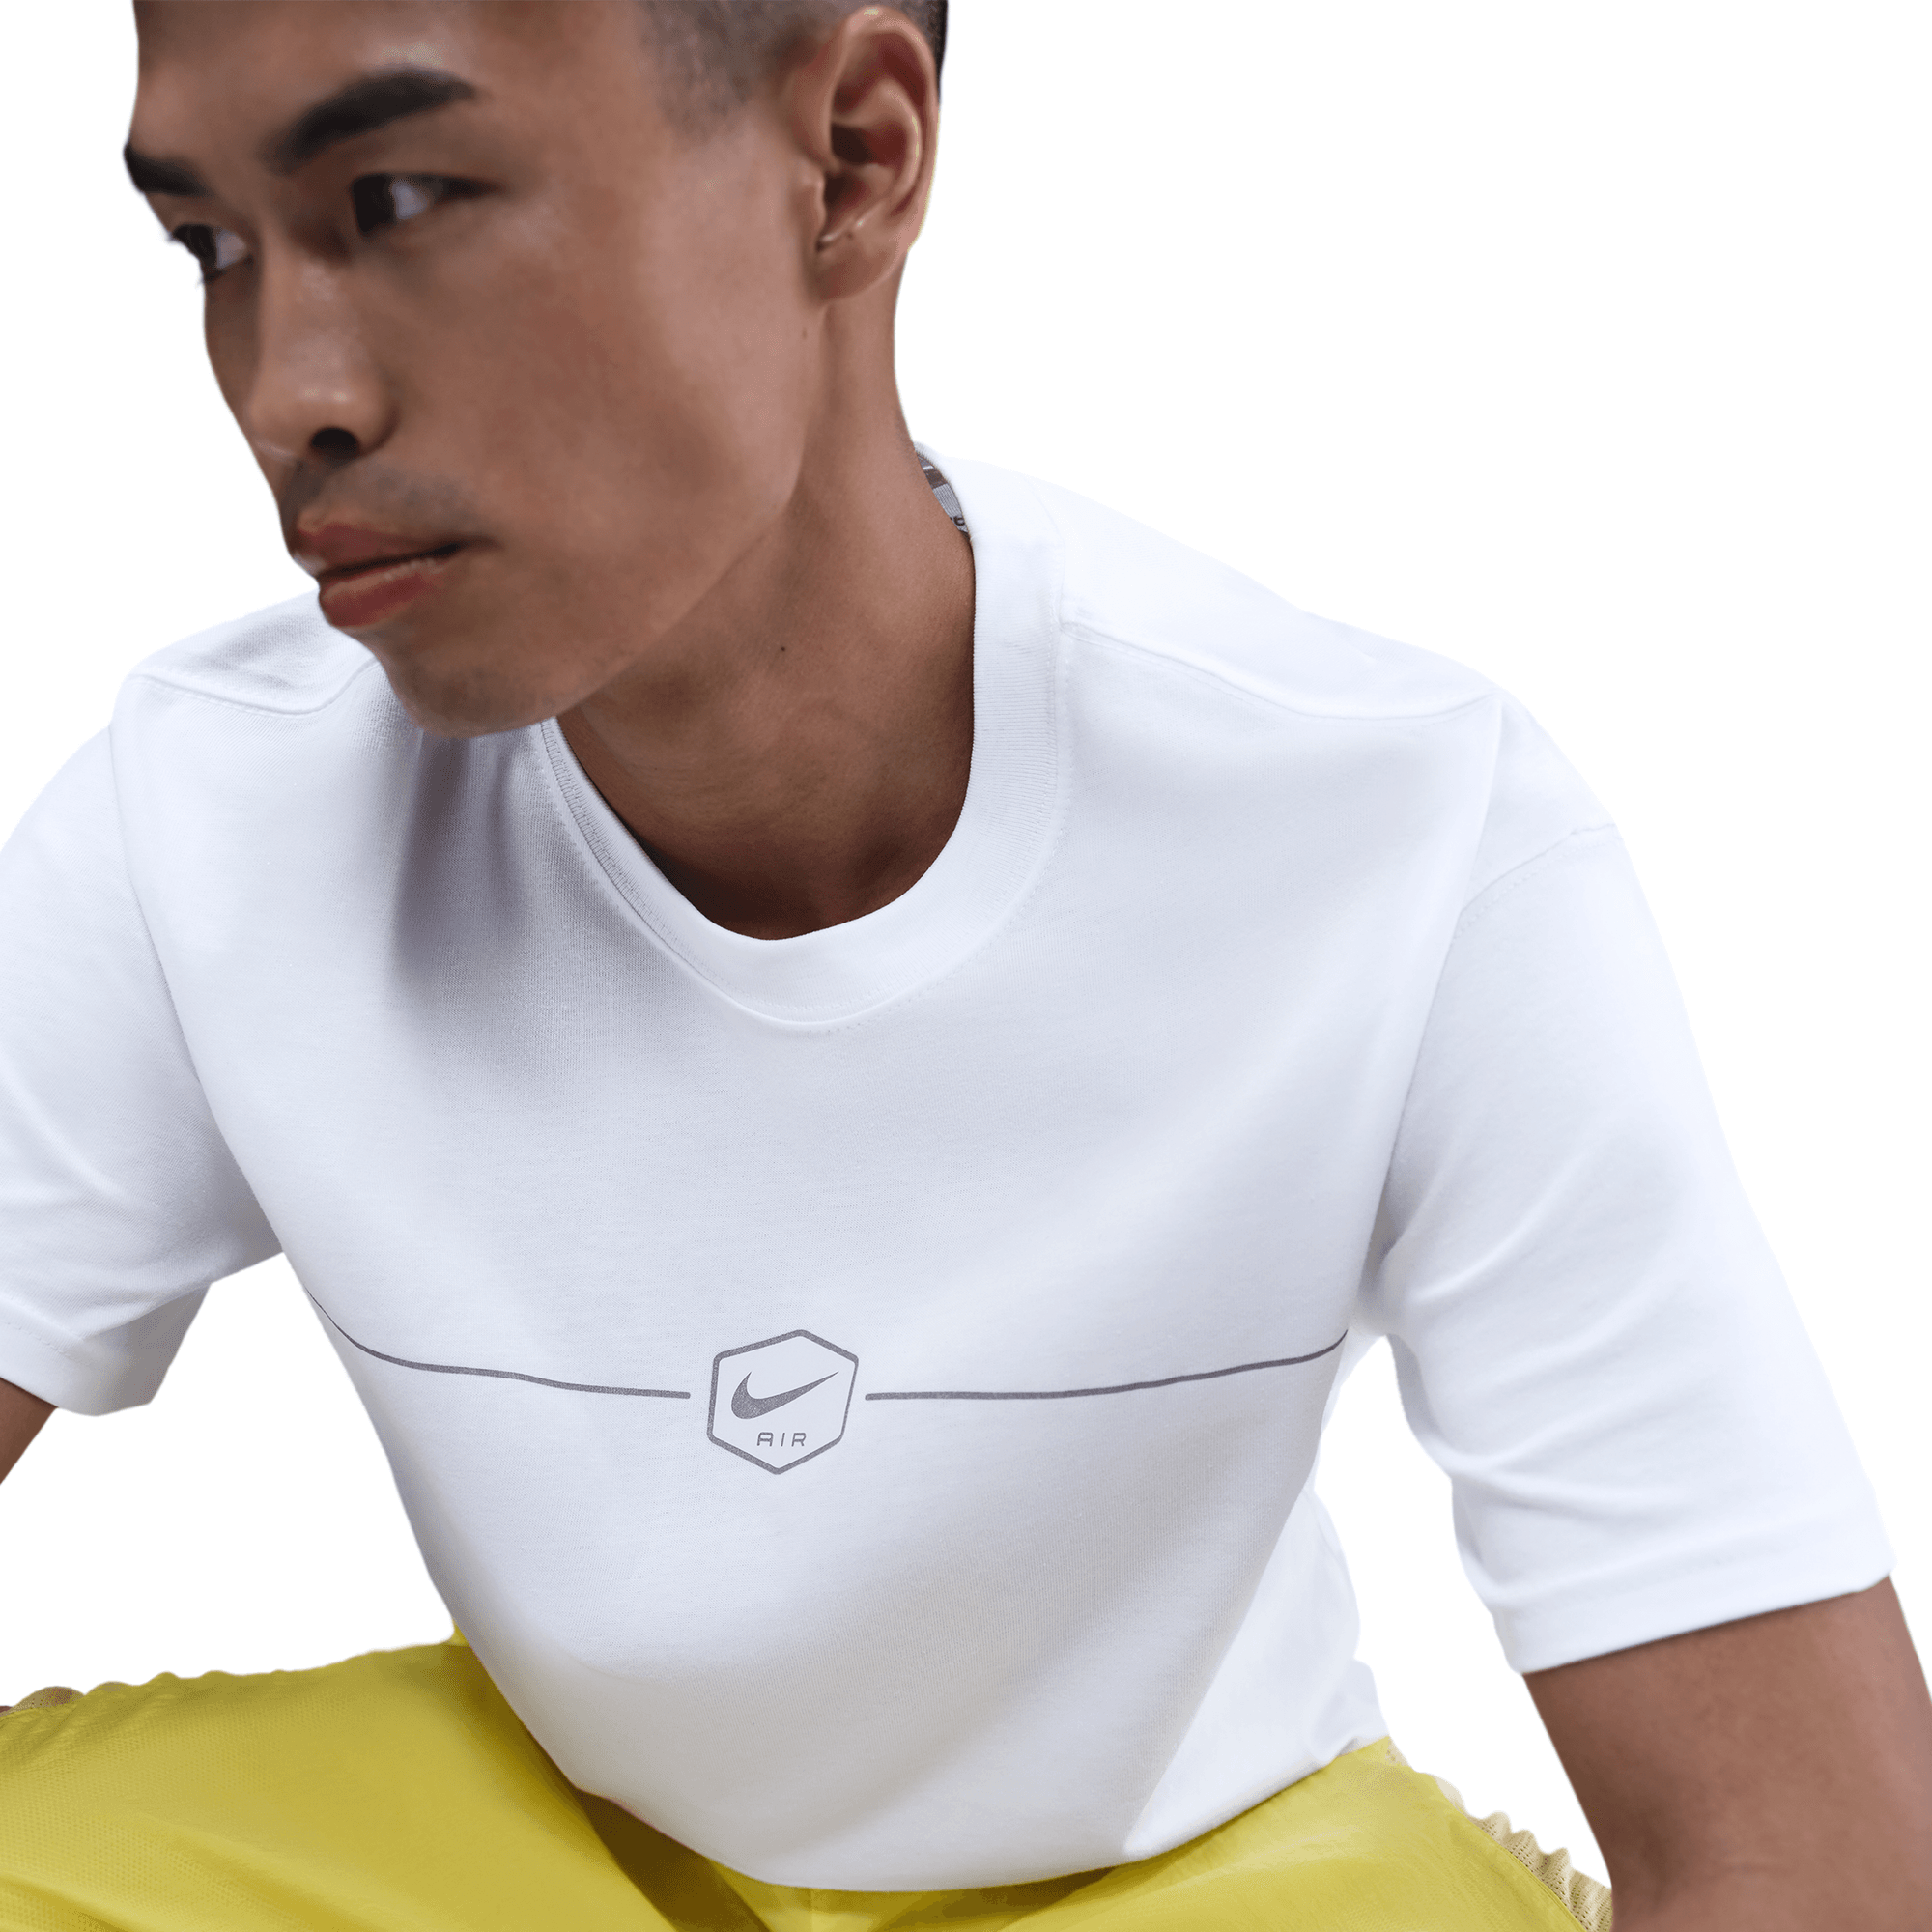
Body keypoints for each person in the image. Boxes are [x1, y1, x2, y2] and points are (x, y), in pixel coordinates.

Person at [1, 3, 1927, 1927]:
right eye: (210, 246)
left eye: (405, 198)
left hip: (1203, 1883)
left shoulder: (1398, 834)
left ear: (852, 157)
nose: (290, 395)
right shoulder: (205, 816)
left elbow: (1812, 1858)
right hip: (546, 1848)